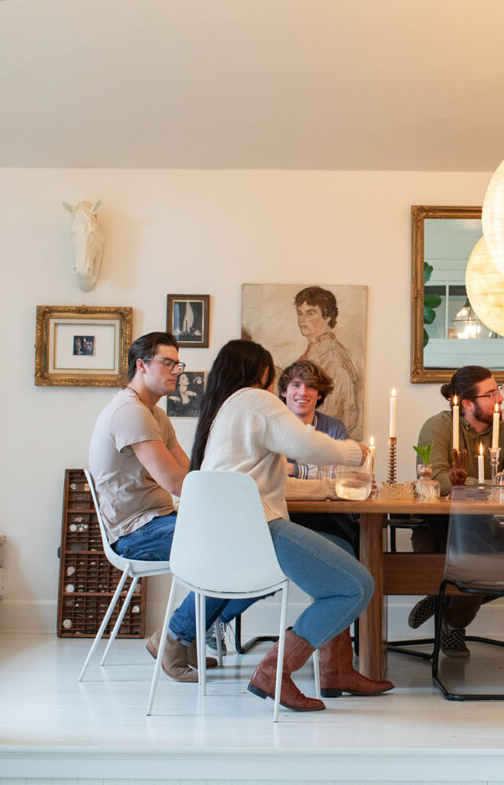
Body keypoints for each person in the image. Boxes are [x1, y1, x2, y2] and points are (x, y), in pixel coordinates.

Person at [191, 339, 392, 711]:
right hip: (257, 529)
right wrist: (356, 452)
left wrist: (333, 486)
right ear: (265, 375)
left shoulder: (226, 409)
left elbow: (281, 480)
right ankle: (273, 671)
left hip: (229, 532)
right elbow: (306, 445)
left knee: (342, 568)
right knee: (356, 585)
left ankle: (330, 671)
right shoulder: (255, 399)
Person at [88, 331, 242, 682]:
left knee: (240, 541)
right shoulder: (130, 412)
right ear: (142, 365)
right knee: (230, 547)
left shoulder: (156, 415)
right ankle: (173, 639)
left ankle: (183, 640)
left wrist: (228, 484)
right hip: (134, 533)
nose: (176, 371)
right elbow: (176, 482)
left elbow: (192, 474)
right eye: (167, 363)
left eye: (177, 363)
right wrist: (227, 499)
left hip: (160, 519)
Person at [406, 365, 504, 657]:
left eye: (499, 390)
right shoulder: (438, 426)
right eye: (491, 394)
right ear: (467, 403)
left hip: (483, 524)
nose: (500, 399)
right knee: (478, 564)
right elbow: (440, 480)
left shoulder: (503, 429)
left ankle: (446, 606)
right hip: (438, 529)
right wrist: (496, 486)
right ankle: (455, 624)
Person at [278, 359, 359, 551]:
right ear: (284, 391)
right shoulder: (274, 428)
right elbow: (272, 474)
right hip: (285, 520)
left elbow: (344, 476)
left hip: (330, 521)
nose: (303, 392)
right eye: (296, 385)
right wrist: (318, 471)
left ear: (320, 394)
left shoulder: (334, 427)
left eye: (311, 387)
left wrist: (293, 469)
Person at [295, 285, 360, 438]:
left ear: (328, 316)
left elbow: (338, 417)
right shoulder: (313, 351)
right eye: (300, 313)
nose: (303, 319)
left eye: (310, 313)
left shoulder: (332, 358)